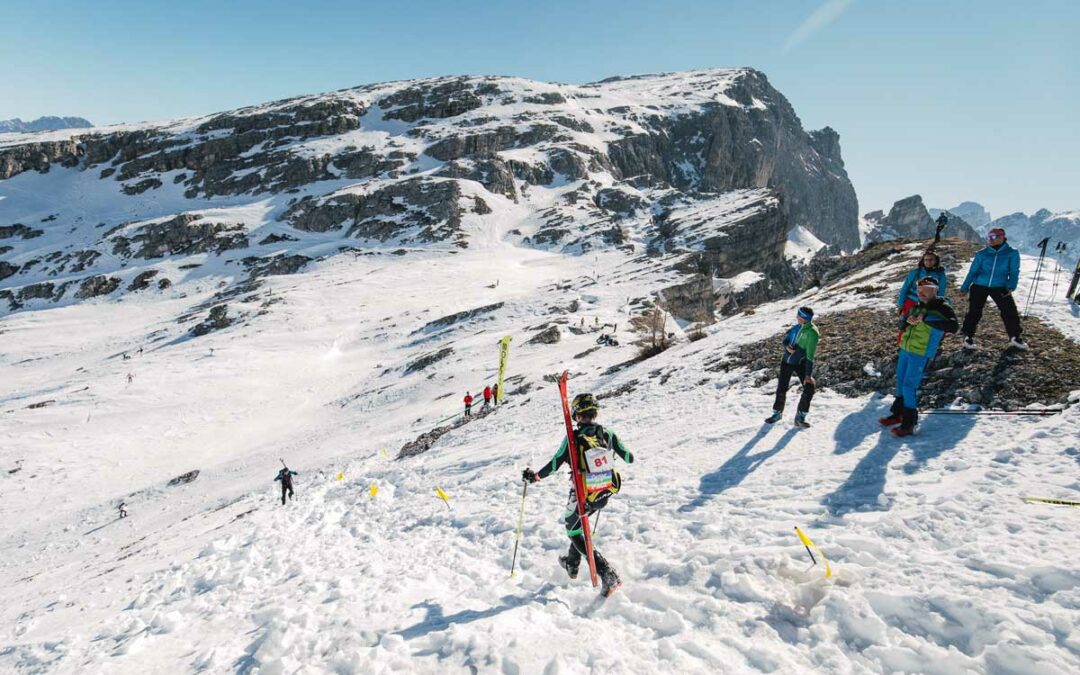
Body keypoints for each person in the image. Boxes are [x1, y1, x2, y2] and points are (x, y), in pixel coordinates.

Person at [521, 393, 633, 597]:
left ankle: (607, 573)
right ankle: (572, 563)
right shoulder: (607, 433)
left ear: (576, 415)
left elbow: (555, 463)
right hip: (604, 492)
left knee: (572, 531)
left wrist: (535, 477)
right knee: (578, 526)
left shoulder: (573, 438)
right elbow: (629, 457)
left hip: (582, 494)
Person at [880, 278, 958, 436]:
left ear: (935, 290)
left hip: (921, 352)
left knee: (909, 386)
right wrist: (906, 321)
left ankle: (909, 423)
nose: (920, 293)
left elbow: (953, 327)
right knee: (901, 382)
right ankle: (898, 414)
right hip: (906, 349)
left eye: (925, 289)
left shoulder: (942, 308)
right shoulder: (916, 306)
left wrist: (926, 319)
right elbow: (902, 325)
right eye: (918, 289)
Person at [959, 227, 1027, 350]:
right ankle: (967, 336)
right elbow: (973, 271)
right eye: (988, 237)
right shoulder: (982, 253)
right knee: (974, 311)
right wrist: (964, 287)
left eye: (993, 237)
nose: (990, 240)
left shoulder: (1012, 253)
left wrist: (1011, 286)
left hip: (1000, 286)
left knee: (1009, 311)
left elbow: (1014, 271)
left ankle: (1015, 336)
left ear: (1002, 237)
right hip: (979, 285)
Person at [764, 307, 819, 428]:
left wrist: (808, 375)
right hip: (786, 362)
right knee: (781, 388)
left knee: (809, 387)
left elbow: (810, 356)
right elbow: (785, 340)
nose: (797, 317)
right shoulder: (795, 328)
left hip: (801, 364)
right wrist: (787, 347)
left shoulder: (812, 333)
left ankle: (800, 417)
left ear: (804, 318)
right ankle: (777, 413)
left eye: (799, 316)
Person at [896, 251, 947, 342]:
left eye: (931, 260)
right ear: (923, 260)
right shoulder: (915, 272)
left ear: (936, 261)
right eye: (926, 259)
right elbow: (905, 289)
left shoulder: (940, 274)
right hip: (911, 301)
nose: (928, 262)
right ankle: (902, 343)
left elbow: (941, 292)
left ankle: (929, 343)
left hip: (928, 302)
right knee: (905, 323)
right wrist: (900, 304)